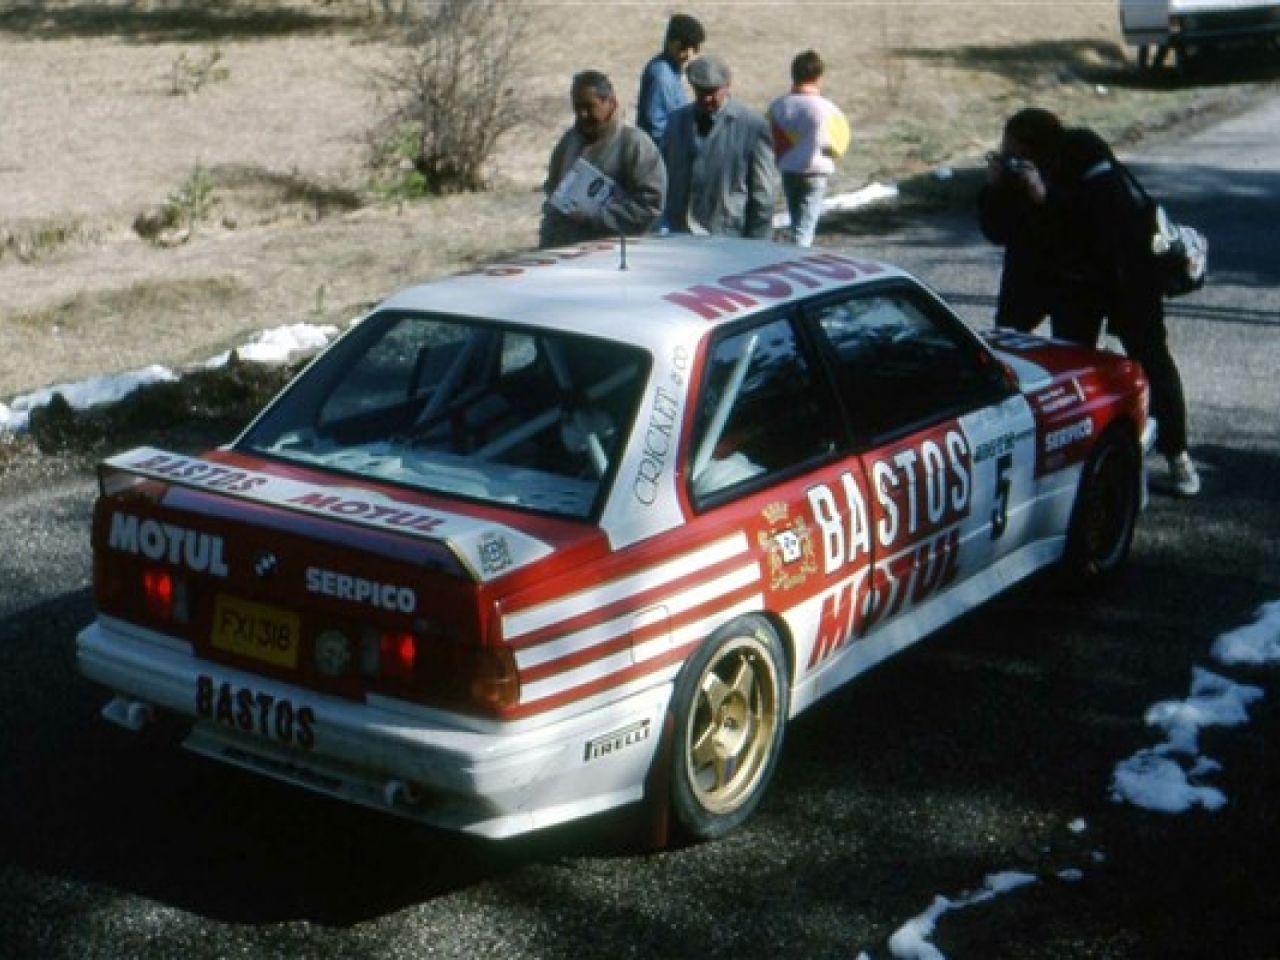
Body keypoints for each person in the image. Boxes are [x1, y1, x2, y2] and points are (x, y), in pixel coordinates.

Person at [978, 107, 1201, 496]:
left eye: (1018, 155)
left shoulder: (1084, 151)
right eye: (1005, 154)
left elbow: (1106, 218)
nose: (1012, 162)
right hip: (1064, 281)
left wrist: (1045, 196)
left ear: (1043, 152)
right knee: (1071, 359)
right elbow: (997, 231)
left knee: (1150, 355)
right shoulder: (1016, 180)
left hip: (1121, 273)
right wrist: (994, 188)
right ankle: (1079, 454)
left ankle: (1178, 456)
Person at [539, 70, 666, 249]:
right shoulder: (568, 142)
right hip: (565, 251)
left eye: (589, 106)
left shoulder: (635, 145)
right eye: (577, 107)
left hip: (614, 254)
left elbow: (649, 207)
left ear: (611, 102)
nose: (582, 114)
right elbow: (553, 190)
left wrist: (596, 218)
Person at [661, 54, 779, 239]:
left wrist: (758, 244)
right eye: (700, 91)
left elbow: (763, 194)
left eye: (712, 92)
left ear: (727, 87)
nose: (707, 98)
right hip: (681, 234)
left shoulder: (752, 126)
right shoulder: (676, 121)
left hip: (728, 236)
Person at [767, 49, 850, 247]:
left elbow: (769, 140)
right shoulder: (829, 109)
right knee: (805, 228)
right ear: (818, 77)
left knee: (796, 220)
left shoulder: (778, 107)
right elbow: (839, 146)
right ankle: (797, 260)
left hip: (789, 171)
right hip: (816, 173)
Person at [636, 13, 706, 150]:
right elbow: (656, 128)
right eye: (683, 48)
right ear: (670, 43)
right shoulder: (661, 76)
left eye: (694, 49)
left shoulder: (671, 70)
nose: (689, 55)